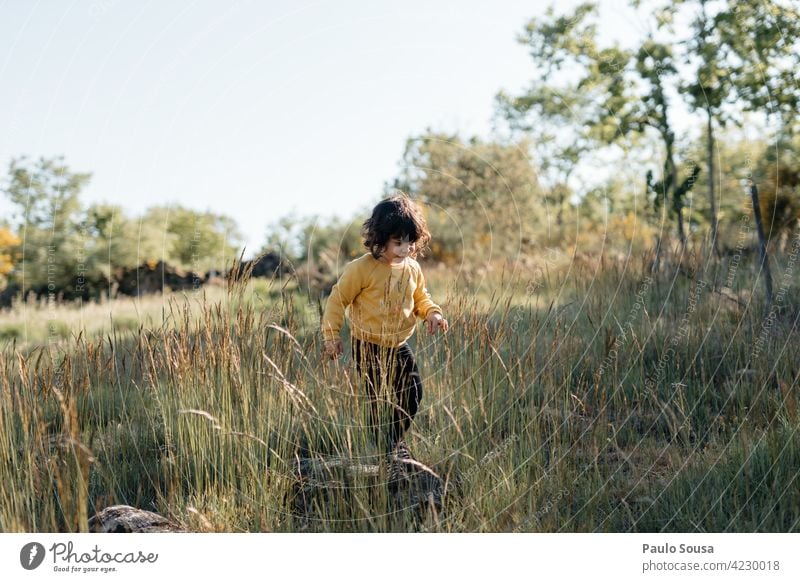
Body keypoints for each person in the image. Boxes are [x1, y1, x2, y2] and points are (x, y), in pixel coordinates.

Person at [321, 192, 448, 484]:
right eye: (397, 242)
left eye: (409, 242)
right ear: (380, 239)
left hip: (399, 345)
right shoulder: (361, 269)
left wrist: (432, 314)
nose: (404, 249)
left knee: (413, 393)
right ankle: (385, 451)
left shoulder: (412, 268)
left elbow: (420, 297)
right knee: (376, 400)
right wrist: (331, 337)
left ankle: (391, 443)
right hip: (368, 346)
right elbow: (337, 300)